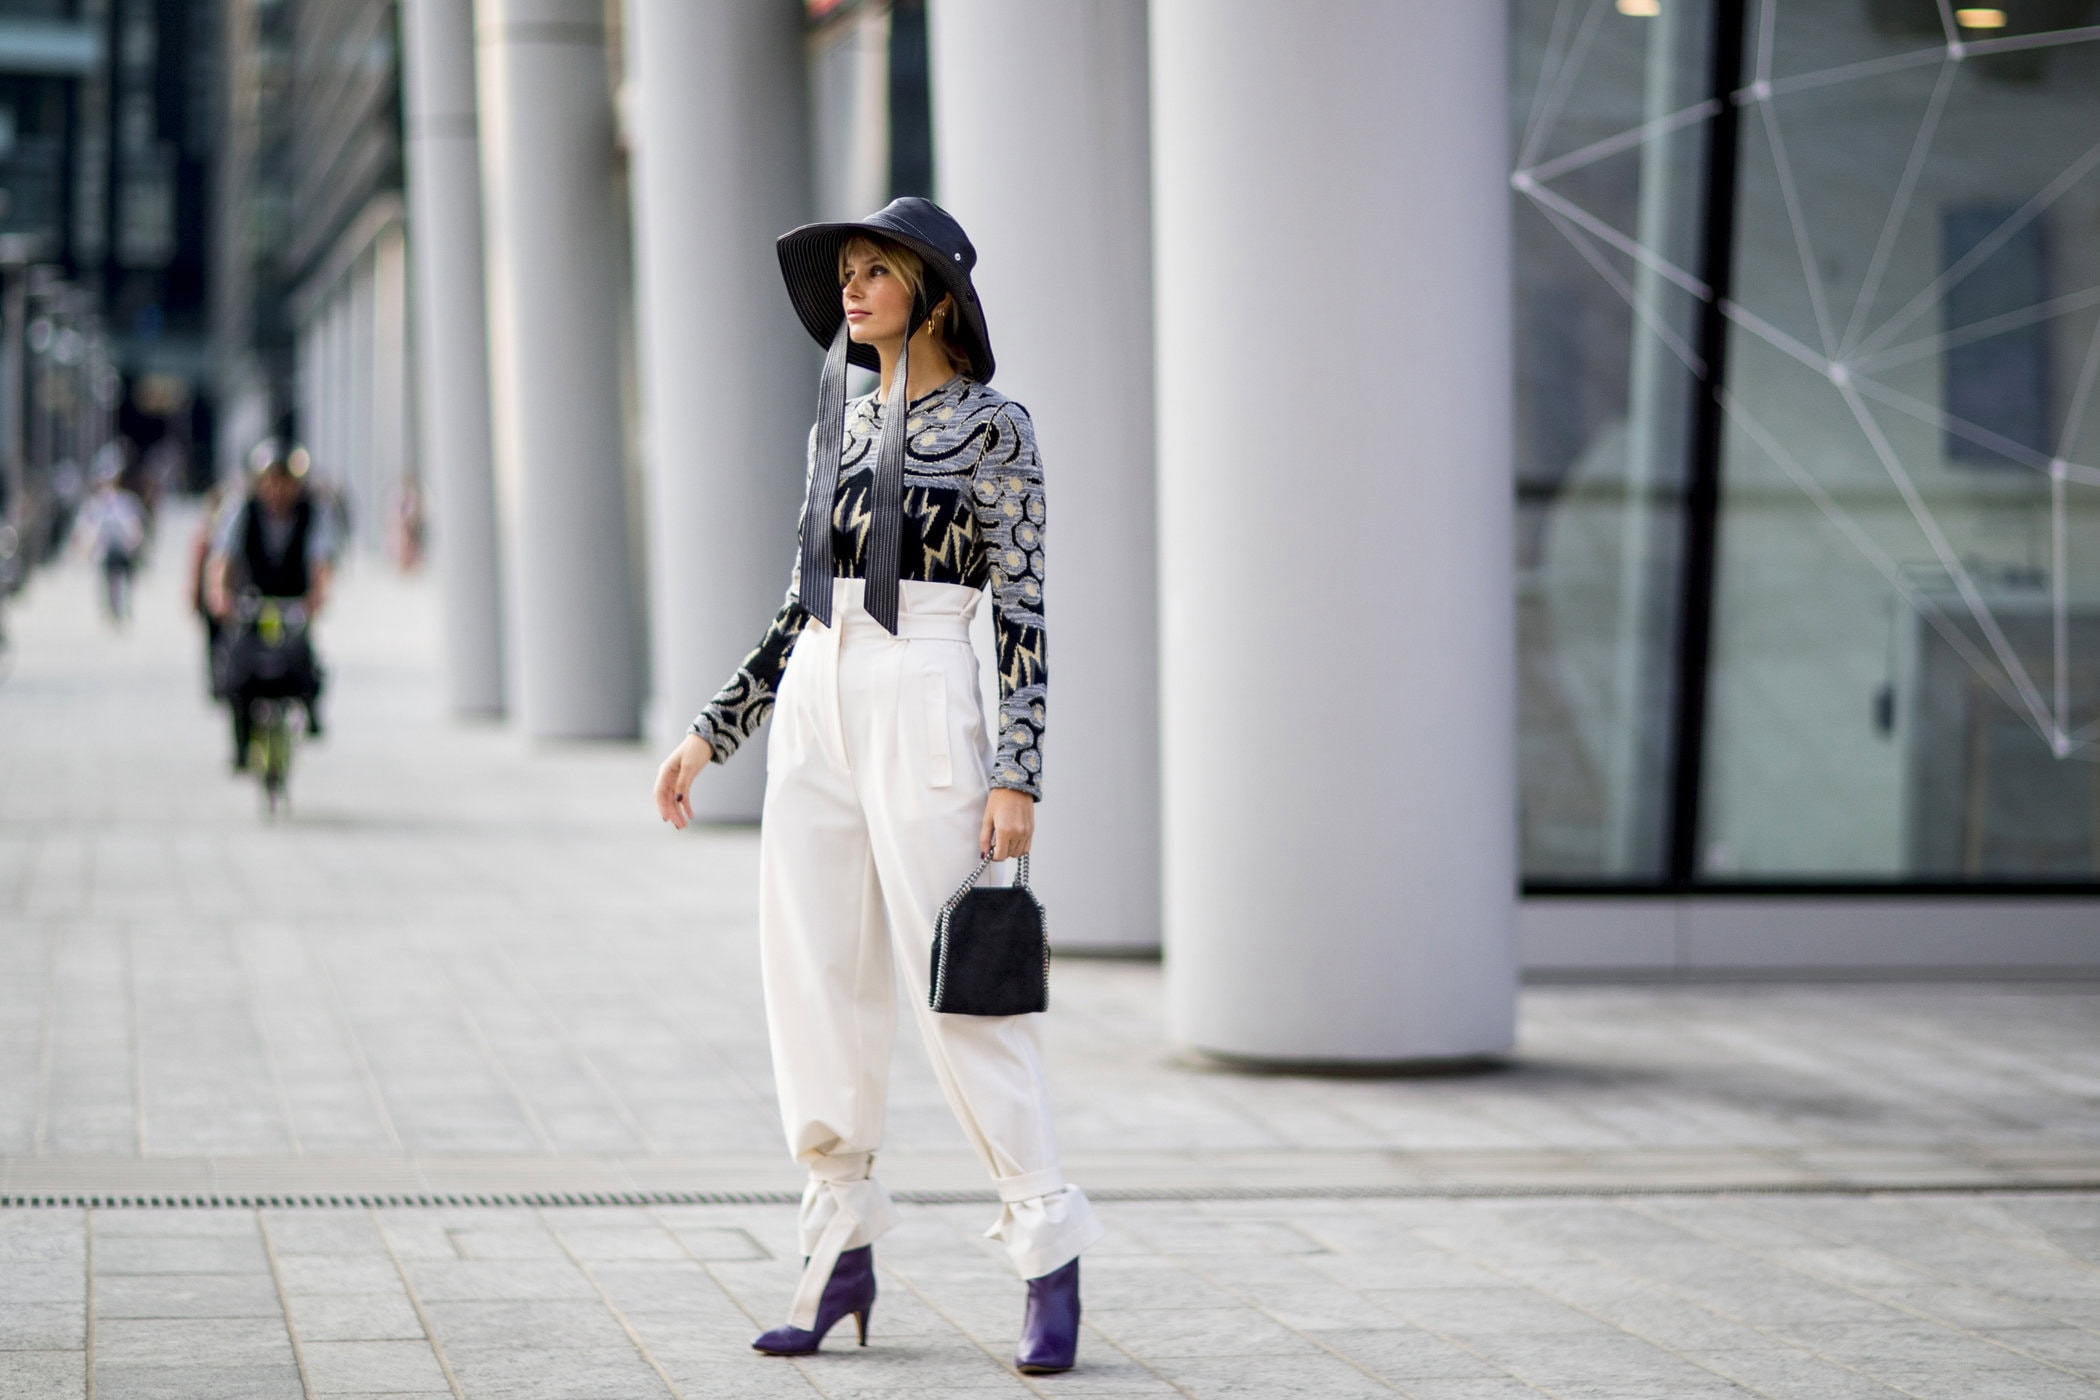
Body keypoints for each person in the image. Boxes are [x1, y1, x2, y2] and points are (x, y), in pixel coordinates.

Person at [652, 198, 1097, 1374]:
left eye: (873, 271)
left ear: (934, 295)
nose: (849, 289)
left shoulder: (998, 428)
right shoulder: (839, 427)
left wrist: (1018, 771)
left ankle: (1047, 1244)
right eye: (844, 271)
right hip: (817, 696)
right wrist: (712, 731)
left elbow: (1025, 609)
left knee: (961, 988)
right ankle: (836, 1239)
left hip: (927, 687)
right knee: (814, 978)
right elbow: (800, 601)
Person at [205, 446, 334, 768]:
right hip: (251, 596)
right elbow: (223, 555)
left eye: (285, 481)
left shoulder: (312, 512)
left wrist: (318, 595)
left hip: (293, 597)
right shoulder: (242, 509)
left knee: (302, 658)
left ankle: (311, 711)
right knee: (239, 665)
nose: (277, 490)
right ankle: (240, 742)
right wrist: (220, 593)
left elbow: (320, 560)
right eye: (270, 481)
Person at [72, 466, 148, 625]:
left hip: (124, 549)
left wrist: (135, 542)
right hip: (106, 550)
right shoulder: (95, 504)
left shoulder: (125, 501)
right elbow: (86, 528)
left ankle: (123, 607)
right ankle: (113, 609)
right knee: (109, 581)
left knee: (124, 580)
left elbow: (135, 525)